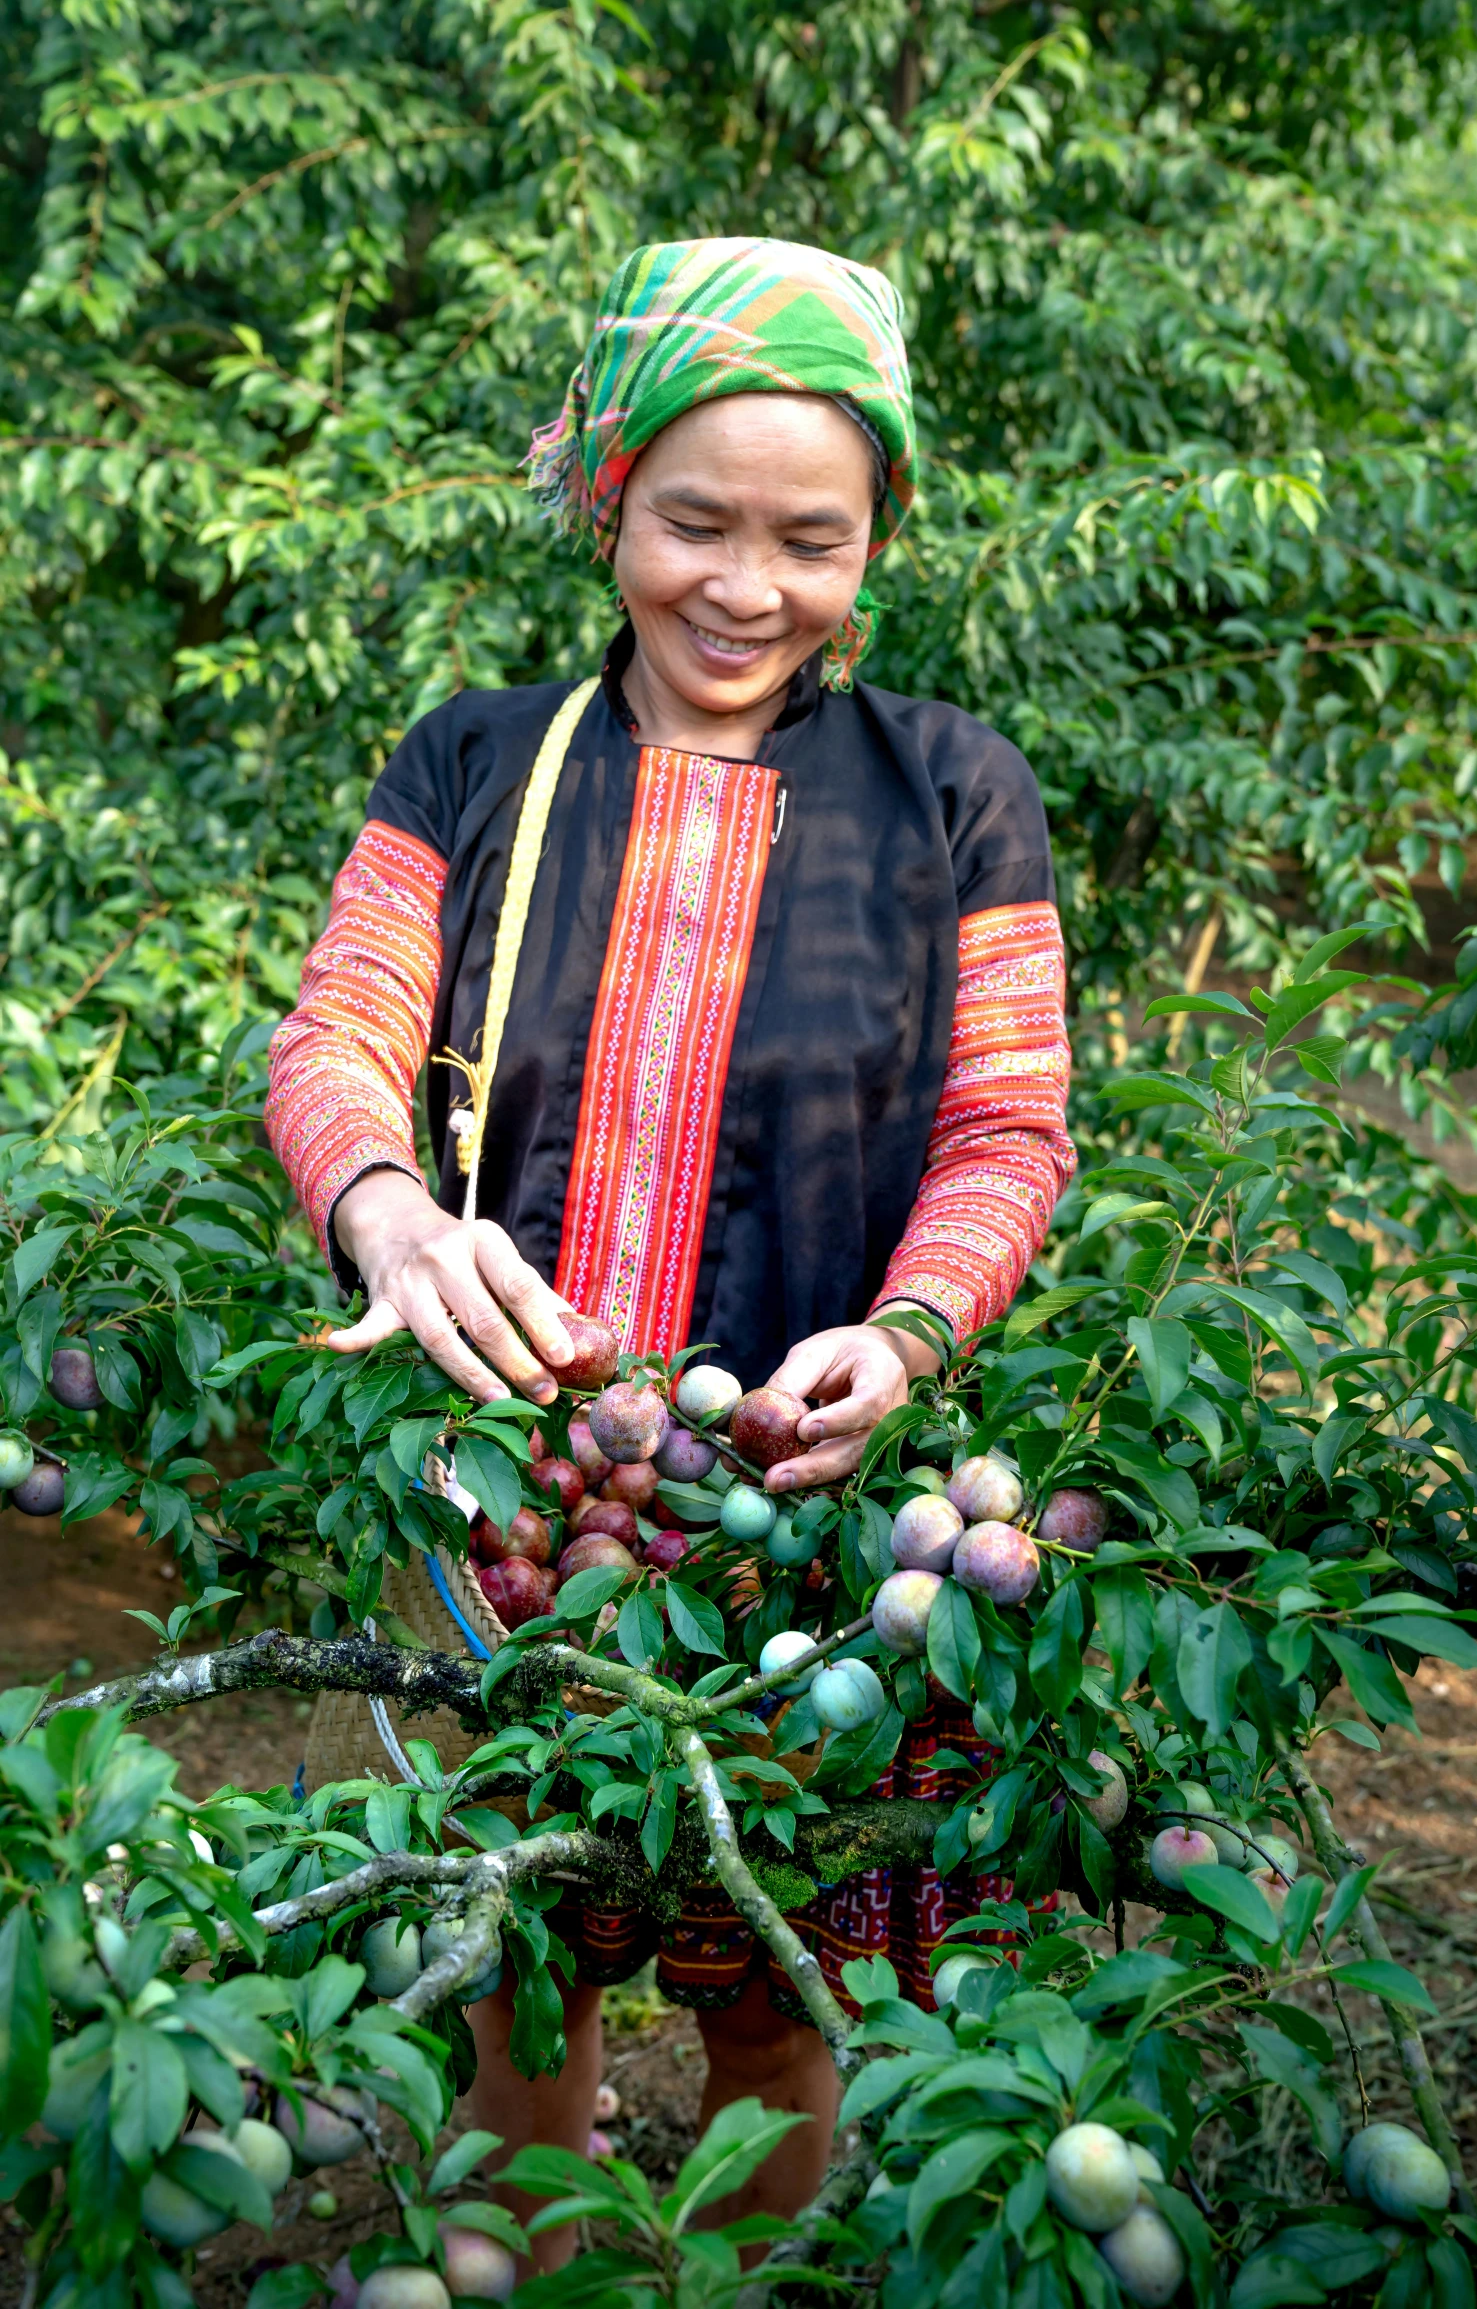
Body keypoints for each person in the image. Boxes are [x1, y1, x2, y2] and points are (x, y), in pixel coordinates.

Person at [265, 234, 1075, 2259]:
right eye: (693, 519)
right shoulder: (472, 759)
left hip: (813, 1525)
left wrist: (903, 1335)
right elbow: (341, 1032)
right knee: (527, 1978)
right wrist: (376, 1201)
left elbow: (1005, 1127)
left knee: (780, 2000)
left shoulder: (952, 795)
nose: (744, 584)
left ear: (874, 541)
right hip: (509, 1523)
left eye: (809, 536)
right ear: (608, 496)